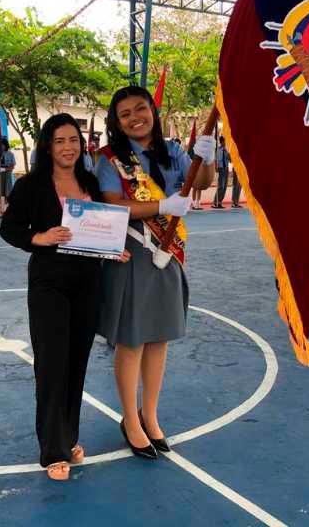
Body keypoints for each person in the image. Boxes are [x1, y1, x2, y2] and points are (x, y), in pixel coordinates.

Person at [0, 113, 129, 481]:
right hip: (49, 285)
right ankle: (53, 450)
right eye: (59, 141)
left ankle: (69, 438)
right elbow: (8, 228)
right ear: (48, 145)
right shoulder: (32, 185)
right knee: (52, 367)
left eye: (73, 140)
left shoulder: (88, 180)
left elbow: (100, 228)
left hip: (88, 283)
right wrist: (37, 238)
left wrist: (112, 248)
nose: (68, 147)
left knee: (76, 364)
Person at [95, 86, 215, 459]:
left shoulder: (174, 152)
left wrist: (206, 159)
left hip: (168, 252)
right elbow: (115, 205)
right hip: (132, 252)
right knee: (132, 340)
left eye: (141, 109)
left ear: (153, 111)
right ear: (117, 121)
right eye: (125, 113)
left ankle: (151, 414)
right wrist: (162, 203)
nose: (135, 117)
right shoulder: (109, 159)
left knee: (159, 338)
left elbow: (201, 183)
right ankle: (130, 419)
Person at [0, 139, 16, 215]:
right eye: (0, 145)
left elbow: (12, 166)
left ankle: (6, 212)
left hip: (7, 174)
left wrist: (4, 169)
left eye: (2, 144)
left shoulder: (10, 154)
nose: (1, 146)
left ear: (5, 145)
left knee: (7, 193)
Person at [211, 135, 230, 209]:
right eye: (225, 141)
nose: (225, 142)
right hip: (221, 168)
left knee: (225, 186)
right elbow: (216, 159)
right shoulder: (218, 149)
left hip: (226, 168)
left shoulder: (226, 149)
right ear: (222, 142)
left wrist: (228, 155)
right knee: (220, 186)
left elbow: (229, 159)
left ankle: (219, 202)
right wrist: (216, 167)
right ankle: (215, 202)